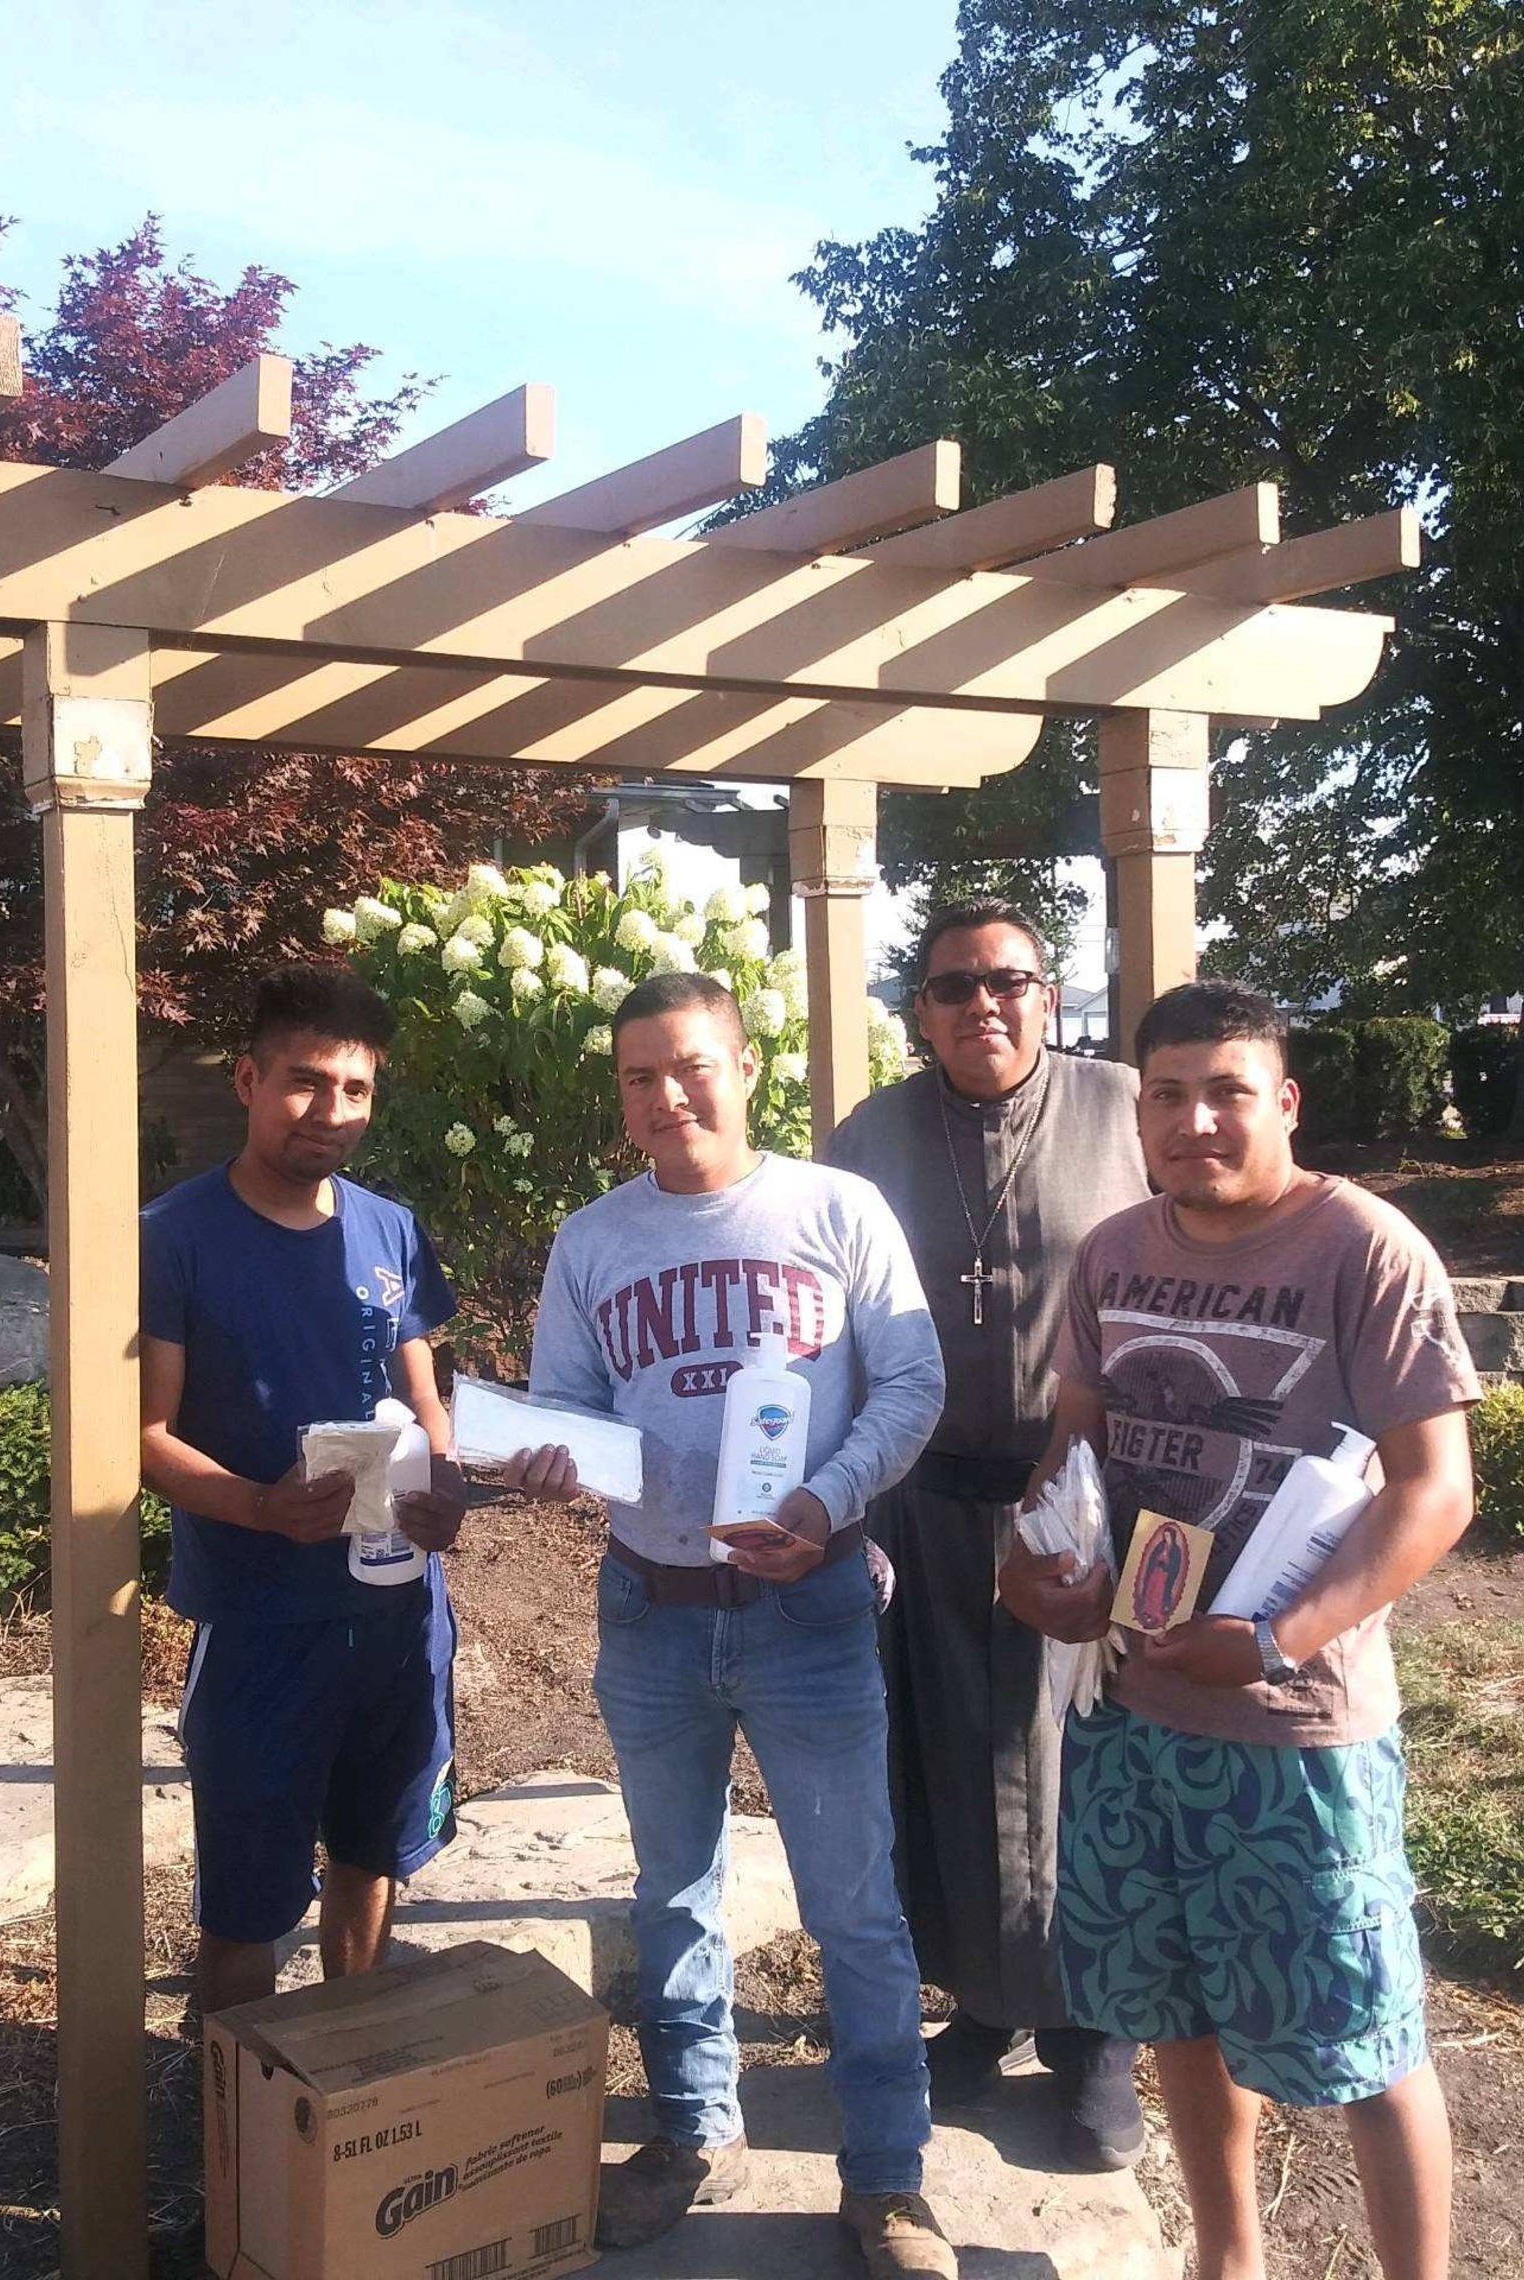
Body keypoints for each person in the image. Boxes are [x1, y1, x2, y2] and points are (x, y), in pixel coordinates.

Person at [1000, 978, 1480, 2280]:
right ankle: (1229, 2259)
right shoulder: (1114, 1254)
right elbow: (1076, 1452)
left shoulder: (1364, 1250)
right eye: (1168, 1095)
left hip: (1297, 1732)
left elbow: (1436, 1490)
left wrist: (1272, 1639)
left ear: (1284, 1100)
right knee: (1180, 2011)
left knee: (1368, 2043)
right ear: (1138, 1109)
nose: (1196, 1121)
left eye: (1227, 1091)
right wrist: (1034, 1559)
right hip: (1129, 1710)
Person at [504, 970, 957, 2279]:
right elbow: (571, 1410)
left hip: (807, 1601)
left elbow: (914, 1378)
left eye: (691, 1065)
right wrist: (551, 1458)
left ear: (746, 1068)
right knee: (674, 1890)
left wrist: (829, 1498)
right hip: (651, 1605)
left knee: (855, 1904)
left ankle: (886, 2178)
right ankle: (694, 2128)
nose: (666, 1094)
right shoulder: (594, 1239)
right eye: (640, 1075)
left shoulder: (837, 1209)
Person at [821, 899, 1150, 2167]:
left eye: (1008, 980)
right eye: (954, 987)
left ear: (1048, 994)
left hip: (1085, 1505)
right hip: (926, 1502)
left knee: (1081, 1770)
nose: (983, 1005)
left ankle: (1095, 2039)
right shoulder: (870, 1138)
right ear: (921, 1013)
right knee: (947, 1759)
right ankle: (981, 2008)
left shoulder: (1125, 1109)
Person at [138, 965, 467, 2021]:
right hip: (261, 1623)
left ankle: (346, 2086)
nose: (331, 1111)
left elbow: (425, 1391)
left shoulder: (390, 1230)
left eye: (356, 1089)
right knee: (248, 1900)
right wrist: (262, 1507)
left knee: (374, 1855)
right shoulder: (173, 1236)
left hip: (399, 1612)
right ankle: (228, 2123)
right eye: (306, 1082)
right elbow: (141, 1438)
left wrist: (447, 1484)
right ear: (247, 1079)